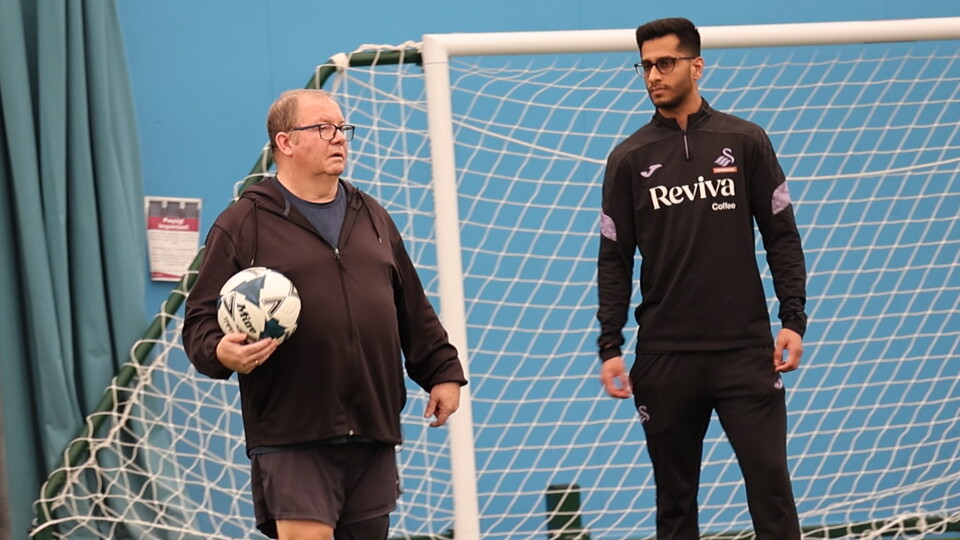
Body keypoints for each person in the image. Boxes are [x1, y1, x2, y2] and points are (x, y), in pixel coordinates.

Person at [182, 88, 467, 540]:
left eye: (342, 128)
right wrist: (220, 351)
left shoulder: (372, 215)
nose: (338, 137)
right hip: (292, 431)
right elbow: (198, 321)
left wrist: (442, 371)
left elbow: (411, 307)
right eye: (322, 127)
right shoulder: (243, 222)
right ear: (285, 142)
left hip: (371, 425)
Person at [596, 17, 807, 540]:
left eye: (665, 63)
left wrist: (793, 319)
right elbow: (614, 259)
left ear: (696, 66)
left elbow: (781, 236)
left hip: (744, 353)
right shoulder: (628, 159)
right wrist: (610, 345)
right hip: (665, 359)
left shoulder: (746, 140)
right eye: (645, 66)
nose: (653, 76)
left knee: (772, 492)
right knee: (674, 505)